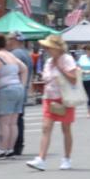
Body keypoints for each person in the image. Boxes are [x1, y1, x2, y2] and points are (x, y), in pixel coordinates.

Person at [28, 34, 79, 171]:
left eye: (49, 47)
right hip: (49, 97)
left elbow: (74, 79)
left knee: (66, 129)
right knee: (46, 127)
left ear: (57, 48)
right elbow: (46, 78)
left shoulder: (67, 59)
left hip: (64, 97)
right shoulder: (49, 61)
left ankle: (67, 158)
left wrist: (61, 69)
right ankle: (41, 159)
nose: (47, 49)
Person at [0, 34, 29, 159]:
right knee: (13, 123)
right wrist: (22, 85)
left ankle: (1, 149)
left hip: (4, 90)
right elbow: (24, 69)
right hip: (17, 89)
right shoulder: (12, 55)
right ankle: (10, 149)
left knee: (3, 123)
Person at [5, 33, 32, 155]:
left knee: (14, 120)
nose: (7, 42)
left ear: (14, 40)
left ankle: (15, 145)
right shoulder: (26, 53)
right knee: (19, 118)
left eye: (9, 39)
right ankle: (18, 144)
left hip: (16, 89)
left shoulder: (16, 54)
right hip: (23, 89)